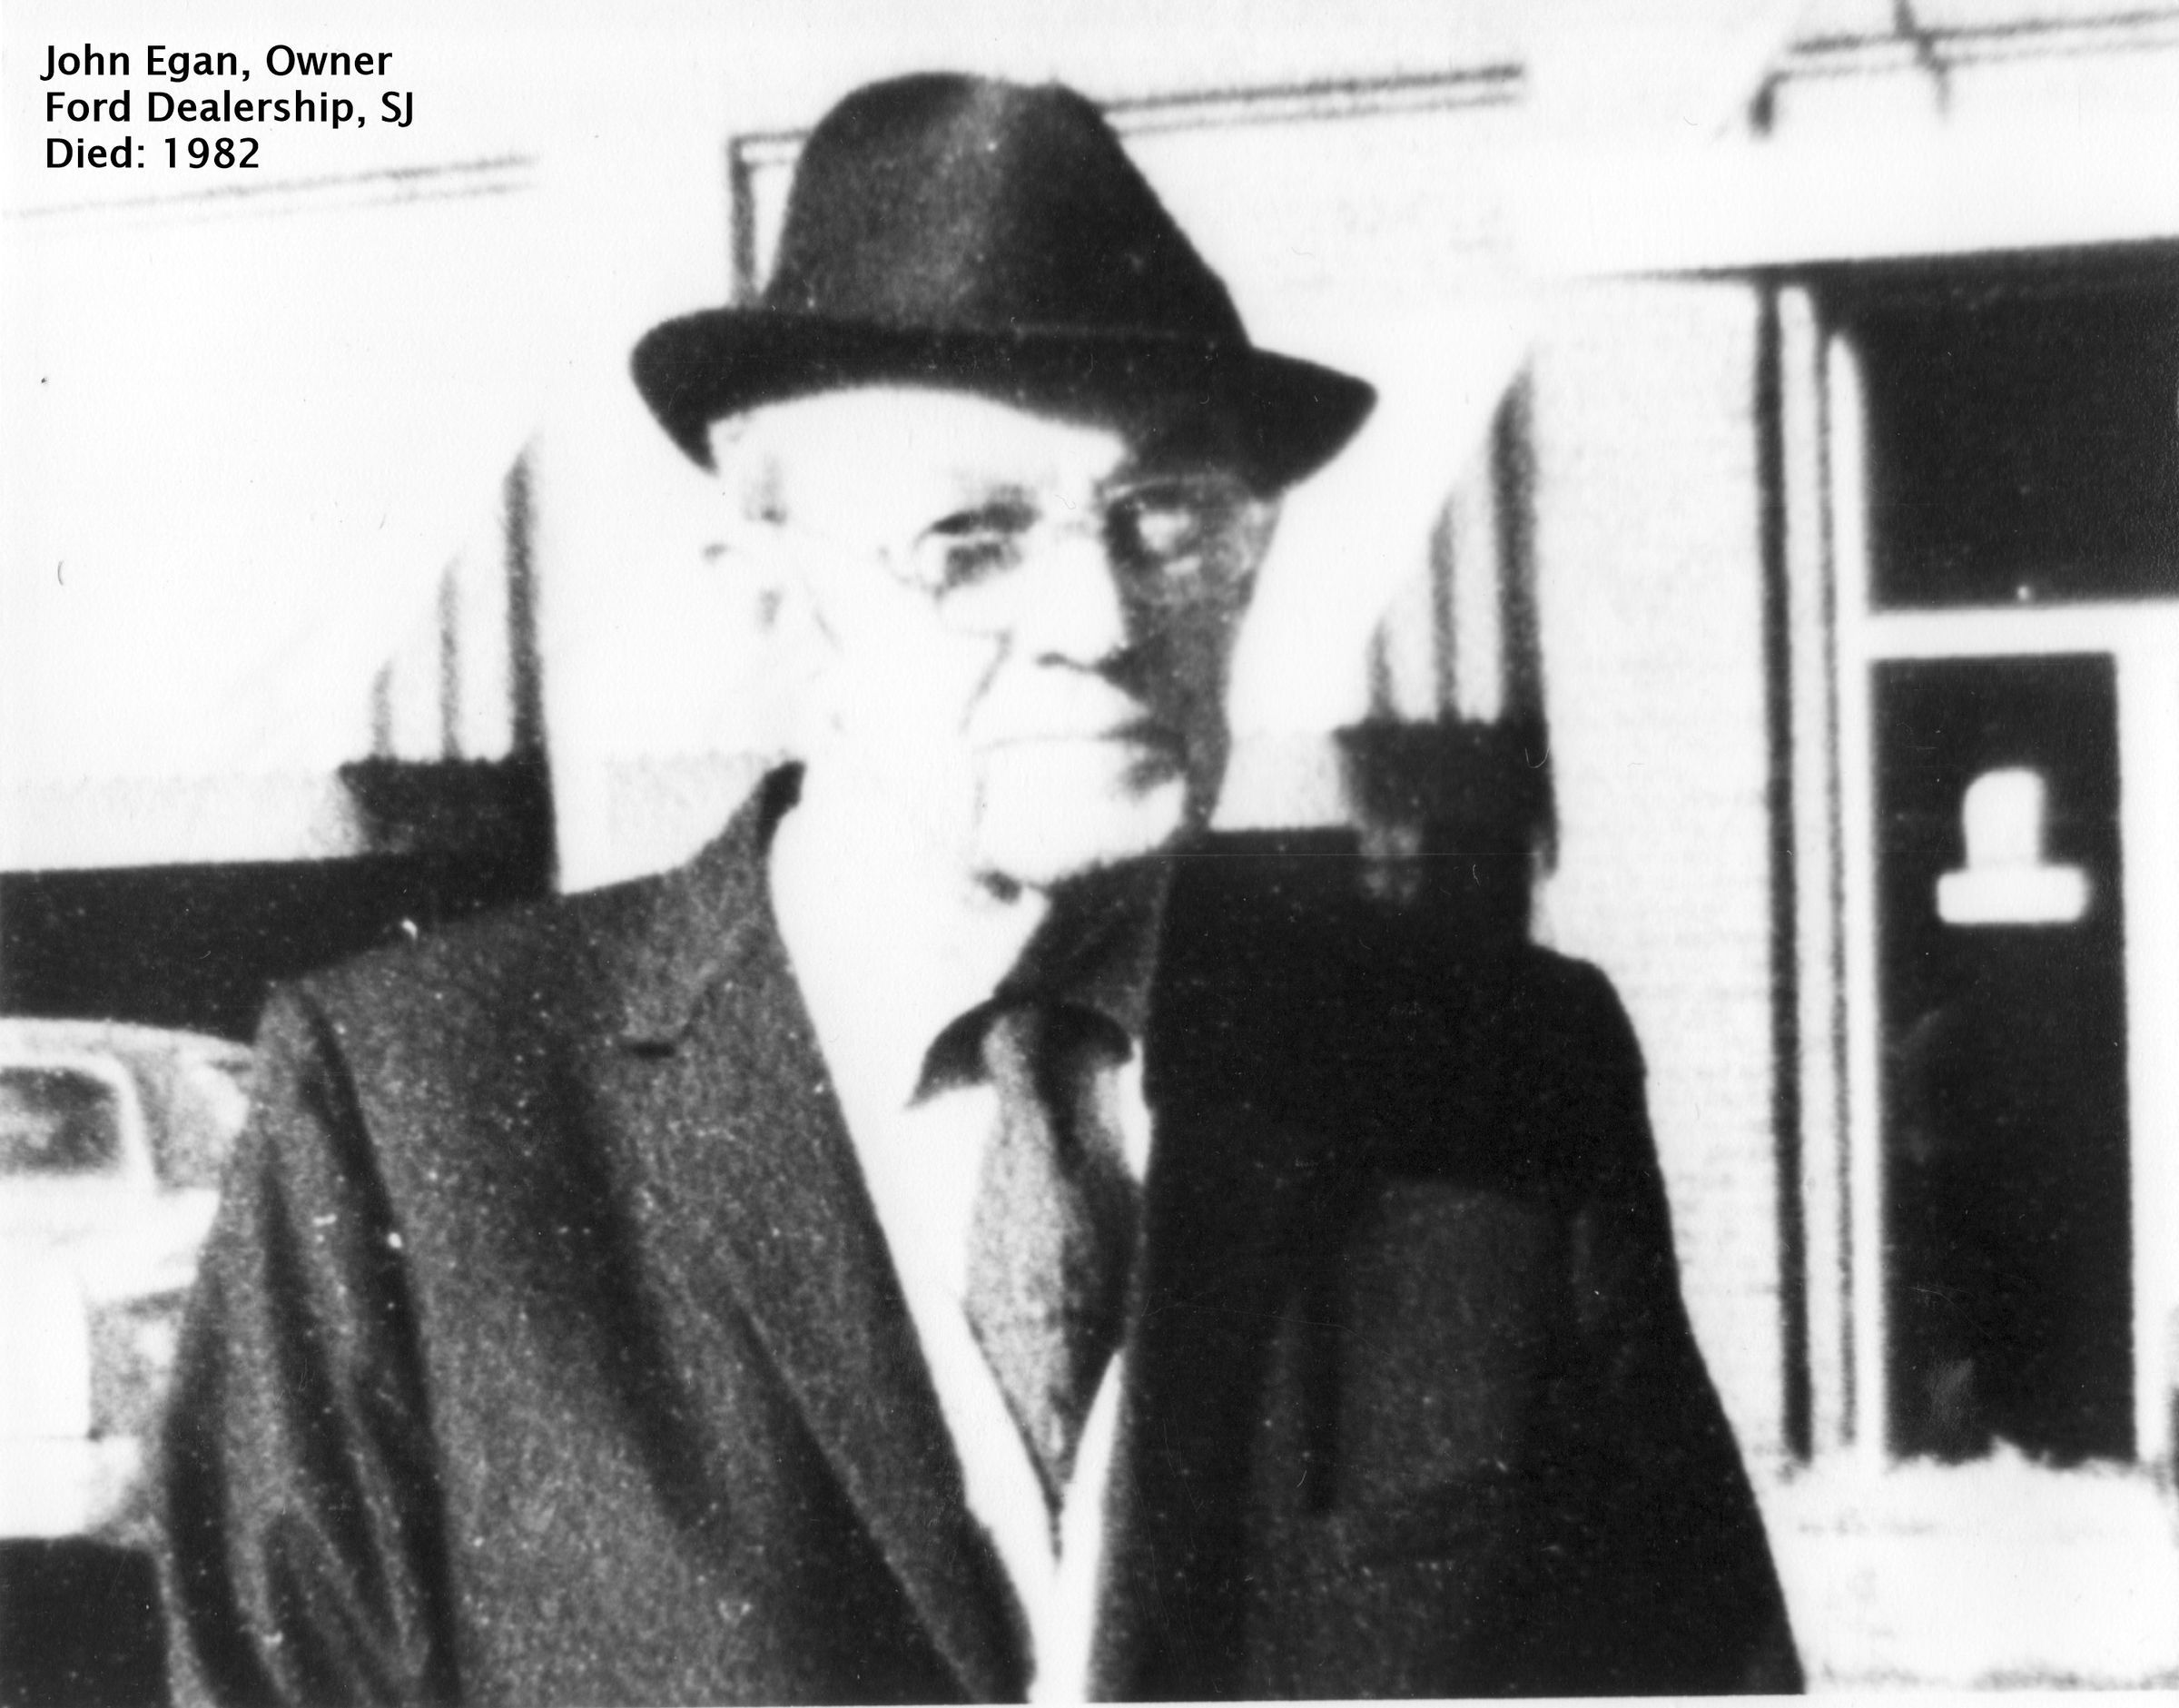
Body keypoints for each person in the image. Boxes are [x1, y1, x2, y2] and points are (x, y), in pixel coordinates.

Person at [157, 72, 1800, 1704]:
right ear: (774, 610)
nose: (1100, 618)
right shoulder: (421, 1120)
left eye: (1168, 518)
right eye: (972, 539)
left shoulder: (1496, 1079)